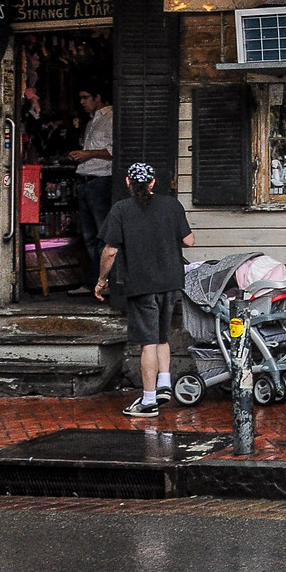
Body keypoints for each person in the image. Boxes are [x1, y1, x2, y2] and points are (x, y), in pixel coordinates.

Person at [94, 161, 194, 418]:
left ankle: (149, 401)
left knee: (147, 343)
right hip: (171, 282)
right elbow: (189, 241)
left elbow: (110, 250)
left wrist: (102, 280)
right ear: (152, 183)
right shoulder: (171, 205)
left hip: (141, 285)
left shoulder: (121, 209)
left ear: (128, 182)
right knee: (162, 337)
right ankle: (164, 384)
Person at [67, 85, 114, 292]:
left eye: (86, 97)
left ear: (98, 96)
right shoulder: (92, 120)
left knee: (102, 235)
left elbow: (115, 149)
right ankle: (96, 280)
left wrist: (88, 155)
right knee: (88, 236)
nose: (82, 102)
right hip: (86, 180)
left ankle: (104, 281)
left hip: (101, 180)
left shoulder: (111, 117)